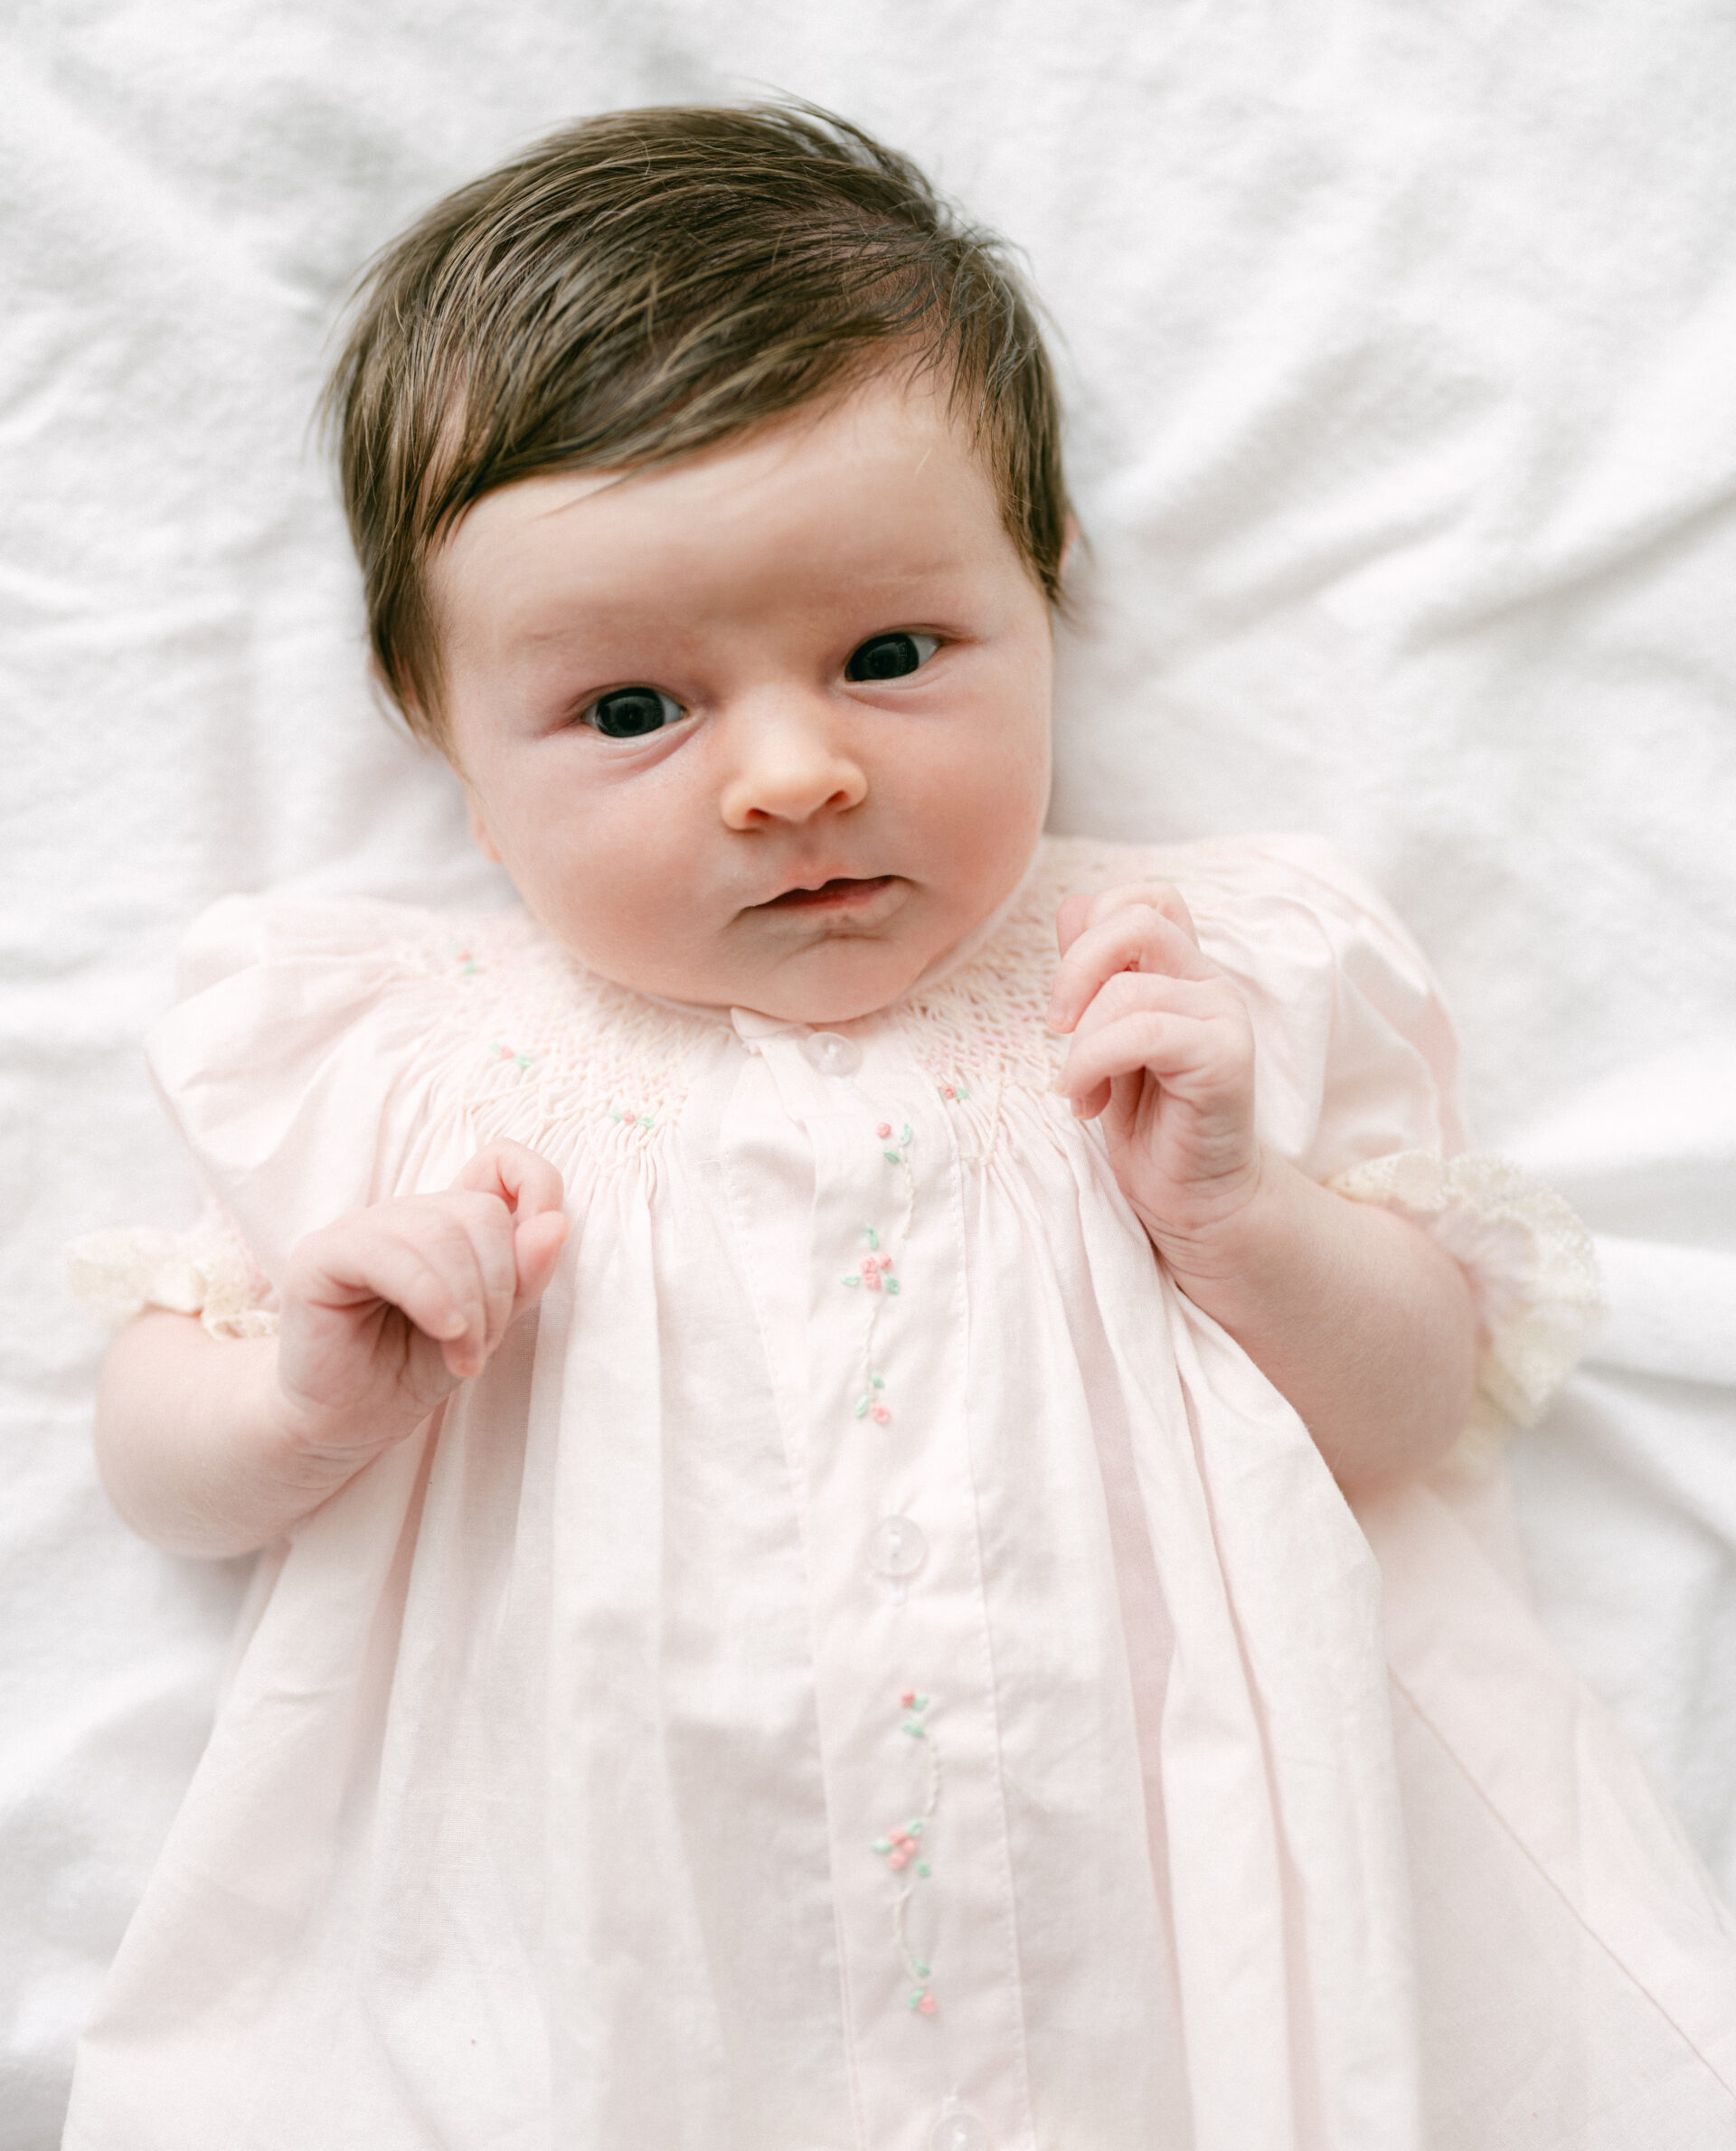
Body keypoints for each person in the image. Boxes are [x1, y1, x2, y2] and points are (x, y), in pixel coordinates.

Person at [63, 105, 1736, 2150]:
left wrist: (1241, 1212)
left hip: (1184, 1946)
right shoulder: (399, 1066)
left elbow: (1415, 1410)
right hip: (602, 1951)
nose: (790, 771)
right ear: (449, 745)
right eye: (630, 710)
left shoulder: (1186, 987)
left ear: (1042, 604)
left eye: (888, 655)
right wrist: (299, 1399)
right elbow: (162, 1469)